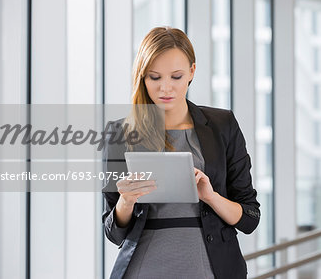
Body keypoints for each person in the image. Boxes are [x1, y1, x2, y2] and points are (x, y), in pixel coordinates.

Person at [102, 26, 260, 279]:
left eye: (176, 77)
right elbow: (113, 232)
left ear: (191, 72)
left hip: (210, 268)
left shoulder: (223, 125)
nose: (166, 88)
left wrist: (210, 197)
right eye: (155, 77)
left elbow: (250, 218)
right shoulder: (120, 133)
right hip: (145, 268)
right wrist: (127, 201)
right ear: (142, 77)